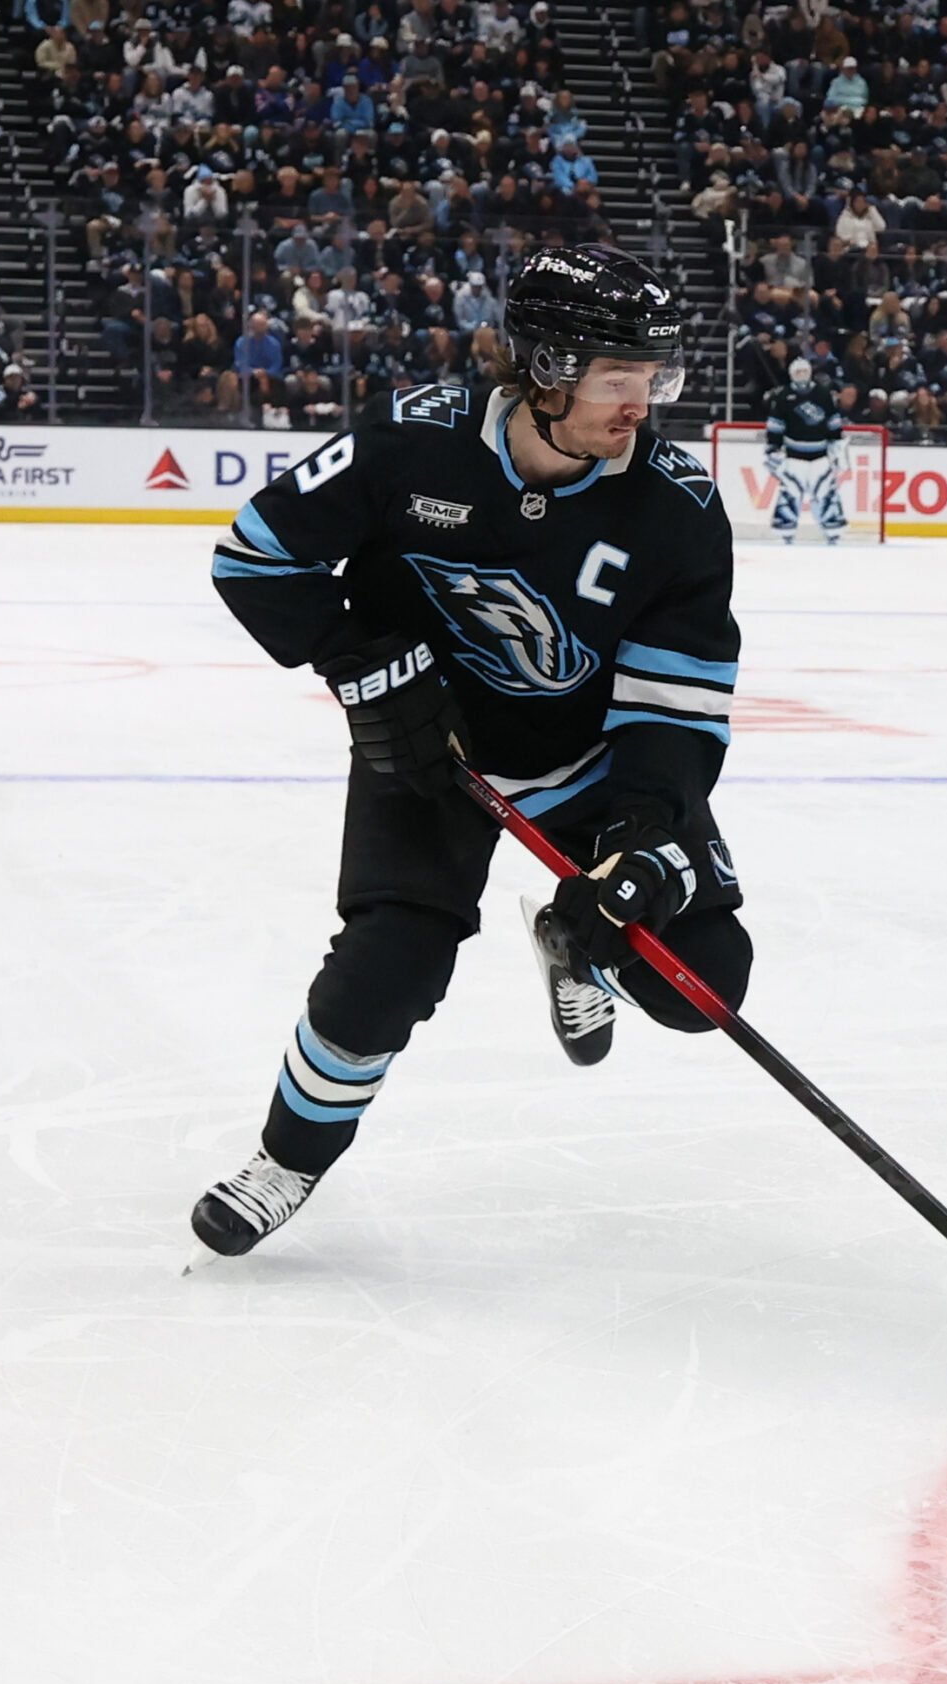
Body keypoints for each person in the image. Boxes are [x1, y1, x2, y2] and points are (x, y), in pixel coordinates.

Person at [187, 245, 749, 1262]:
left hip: (593, 765)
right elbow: (255, 558)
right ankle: (286, 1161)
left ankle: (581, 946)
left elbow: (677, 698)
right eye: (617, 375)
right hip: (433, 750)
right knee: (383, 975)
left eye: (653, 376)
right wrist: (367, 664)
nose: (641, 401)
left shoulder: (677, 507)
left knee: (703, 982)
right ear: (543, 367)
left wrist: (636, 834)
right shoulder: (411, 445)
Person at [761, 355, 848, 544]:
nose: (802, 375)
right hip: (794, 457)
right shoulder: (783, 396)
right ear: (792, 374)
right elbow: (775, 425)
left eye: (805, 371)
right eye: (798, 372)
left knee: (826, 493)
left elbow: (833, 422)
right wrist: (773, 447)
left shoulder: (823, 393)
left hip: (820, 457)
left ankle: (833, 532)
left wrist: (837, 444)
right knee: (790, 493)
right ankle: (785, 533)